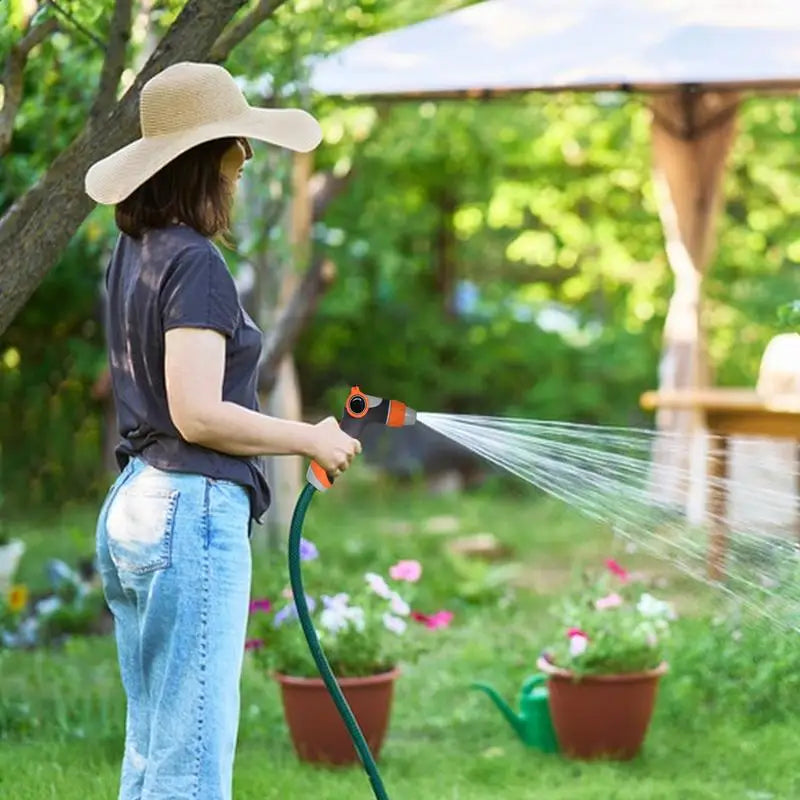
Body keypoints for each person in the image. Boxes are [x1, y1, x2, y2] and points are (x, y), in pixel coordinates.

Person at [84, 62, 361, 800]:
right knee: (193, 761)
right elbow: (197, 413)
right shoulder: (198, 264)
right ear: (206, 161)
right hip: (189, 511)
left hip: (137, 503)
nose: (244, 165)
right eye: (239, 148)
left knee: (153, 753)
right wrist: (309, 438)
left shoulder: (134, 253)